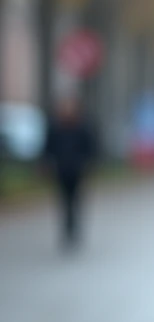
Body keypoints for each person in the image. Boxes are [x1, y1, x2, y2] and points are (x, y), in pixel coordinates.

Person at [41, 97, 97, 250]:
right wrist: (45, 164)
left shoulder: (82, 127)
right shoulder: (55, 127)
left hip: (77, 171)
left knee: (75, 200)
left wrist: (87, 164)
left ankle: (74, 228)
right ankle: (66, 228)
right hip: (60, 170)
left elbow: (91, 147)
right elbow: (48, 147)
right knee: (64, 201)